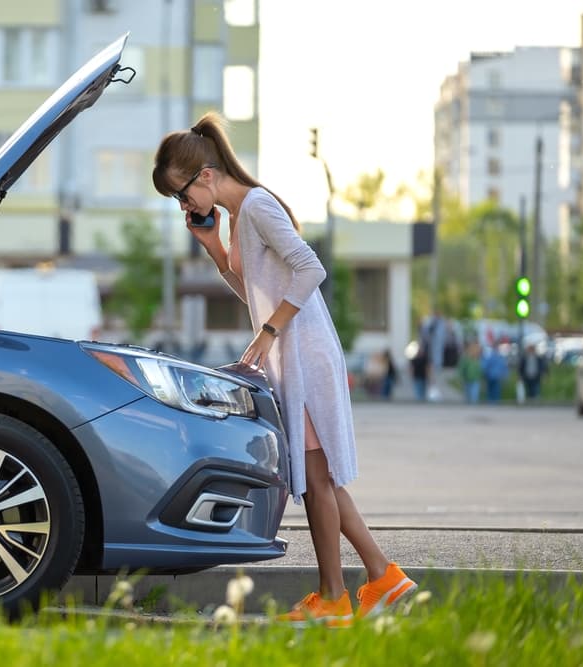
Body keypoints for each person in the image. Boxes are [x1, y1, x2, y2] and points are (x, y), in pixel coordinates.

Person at [153, 112, 417, 627]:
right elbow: (255, 294)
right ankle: (380, 577)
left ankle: (336, 598)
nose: (183, 206)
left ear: (205, 176)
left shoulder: (256, 207)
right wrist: (215, 252)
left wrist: (270, 331)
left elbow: (310, 268)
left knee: (315, 480)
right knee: (319, 480)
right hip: (292, 352)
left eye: (181, 194)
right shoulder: (236, 219)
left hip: (304, 352)